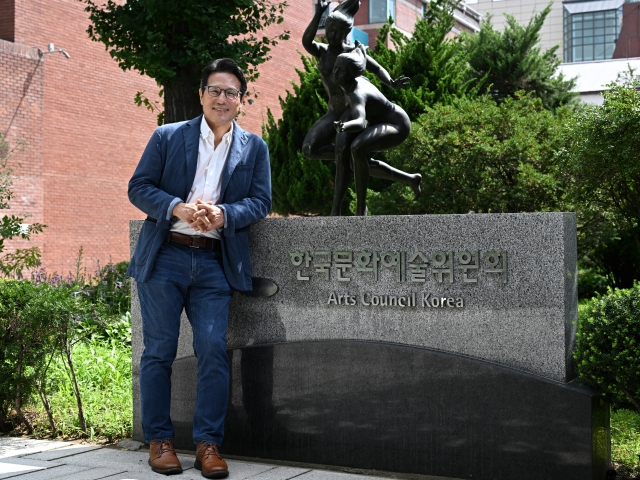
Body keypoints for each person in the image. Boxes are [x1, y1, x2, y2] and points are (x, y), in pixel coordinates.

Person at [126, 58, 271, 479]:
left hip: (213, 262)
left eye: (231, 93)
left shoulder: (254, 147)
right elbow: (139, 187)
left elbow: (261, 201)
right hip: (166, 255)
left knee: (212, 349)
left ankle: (208, 445)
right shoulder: (167, 136)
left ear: (240, 101)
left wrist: (223, 214)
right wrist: (179, 207)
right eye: (215, 91)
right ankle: (160, 441)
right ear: (201, 95)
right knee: (159, 351)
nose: (222, 99)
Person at [302, 0, 421, 215]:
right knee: (310, 150)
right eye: (329, 30)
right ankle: (408, 178)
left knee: (348, 152)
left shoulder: (352, 57)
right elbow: (306, 41)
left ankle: (340, 210)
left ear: (346, 33)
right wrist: (318, 13)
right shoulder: (322, 51)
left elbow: (377, 68)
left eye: (338, 32)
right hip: (334, 111)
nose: (332, 36)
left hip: (351, 111)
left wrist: (391, 81)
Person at [332, 43, 411, 216]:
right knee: (354, 161)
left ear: (351, 74)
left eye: (341, 71)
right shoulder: (352, 67)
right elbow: (373, 65)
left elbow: (360, 122)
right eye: (335, 68)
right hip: (378, 121)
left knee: (357, 149)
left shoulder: (356, 93)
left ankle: (361, 209)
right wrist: (389, 81)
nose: (335, 73)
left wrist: (344, 126)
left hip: (398, 124)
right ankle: (412, 179)